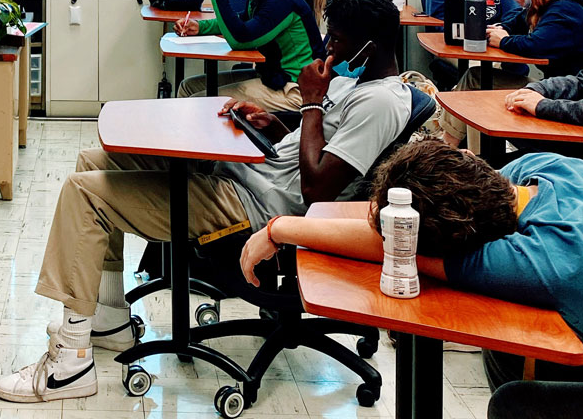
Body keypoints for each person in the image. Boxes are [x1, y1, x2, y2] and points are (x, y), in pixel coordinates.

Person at [0, 0, 412, 403]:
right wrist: (274, 125)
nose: (327, 48)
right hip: (248, 173)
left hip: (257, 208)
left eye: (336, 39)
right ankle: (108, 319)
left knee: (84, 195)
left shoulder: (379, 103)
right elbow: (312, 149)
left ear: (369, 47)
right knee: (94, 161)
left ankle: (70, 363)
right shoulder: (353, 87)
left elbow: (317, 188)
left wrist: (311, 104)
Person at [239, 139, 583, 402]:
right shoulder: (544, 167)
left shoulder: (547, 261)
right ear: (469, 160)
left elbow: (396, 243)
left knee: (513, 400)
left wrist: (279, 229)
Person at [441, 0, 583, 147]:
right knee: (476, 78)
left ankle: (448, 146)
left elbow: (537, 46)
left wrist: (504, 41)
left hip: (562, 99)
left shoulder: (565, 10)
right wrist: (500, 29)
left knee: (476, 85)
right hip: (553, 90)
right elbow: (517, 20)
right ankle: (453, 145)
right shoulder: (546, 3)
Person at [173, 0, 325, 112]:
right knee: (188, 87)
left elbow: (240, 39)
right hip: (271, 76)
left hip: (296, 89)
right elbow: (244, 22)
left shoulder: (281, 1)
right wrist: (200, 27)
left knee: (199, 102)